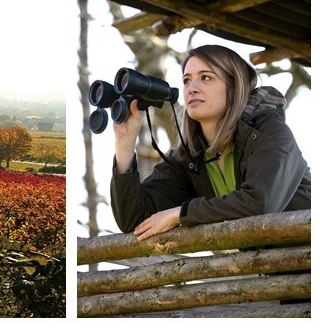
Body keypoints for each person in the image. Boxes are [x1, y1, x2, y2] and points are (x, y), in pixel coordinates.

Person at [110, 44, 310, 241]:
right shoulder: (189, 157)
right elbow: (135, 220)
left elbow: (260, 203)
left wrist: (180, 214)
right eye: (187, 80)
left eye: (205, 77)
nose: (192, 89)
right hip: (273, 269)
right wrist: (124, 145)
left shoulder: (269, 132)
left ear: (234, 86)